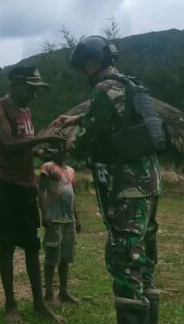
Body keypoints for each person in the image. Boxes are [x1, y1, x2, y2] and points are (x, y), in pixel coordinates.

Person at [52, 36, 162, 324]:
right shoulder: (131, 84)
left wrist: (62, 143)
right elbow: (117, 119)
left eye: (82, 67)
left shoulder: (103, 89)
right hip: (149, 182)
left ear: (90, 62)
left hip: (125, 187)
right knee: (144, 256)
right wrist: (78, 119)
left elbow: (86, 139)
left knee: (124, 258)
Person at [0, 66, 66, 323]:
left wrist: (41, 152)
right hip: (6, 184)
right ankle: (10, 305)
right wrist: (41, 139)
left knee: (32, 244)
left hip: (26, 185)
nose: (33, 96)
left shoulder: (26, 111)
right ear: (16, 84)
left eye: (35, 91)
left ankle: (39, 303)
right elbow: (9, 145)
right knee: (7, 244)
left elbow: (24, 145)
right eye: (30, 89)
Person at [38, 148, 81, 307]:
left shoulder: (71, 171)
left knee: (65, 258)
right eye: (61, 149)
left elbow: (72, 196)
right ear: (55, 151)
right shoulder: (47, 167)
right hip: (54, 219)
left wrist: (77, 218)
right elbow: (40, 190)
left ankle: (63, 291)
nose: (65, 153)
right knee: (52, 257)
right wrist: (44, 213)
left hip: (69, 221)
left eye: (67, 150)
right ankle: (49, 293)